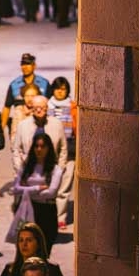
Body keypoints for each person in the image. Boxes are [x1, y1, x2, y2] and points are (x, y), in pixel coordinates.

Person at [12, 134, 63, 254]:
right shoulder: (26, 167)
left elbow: (51, 192)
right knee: (24, 250)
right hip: (27, 210)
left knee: (43, 250)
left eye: (42, 146)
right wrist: (37, 188)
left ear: (48, 148)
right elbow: (15, 189)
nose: (39, 149)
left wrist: (27, 190)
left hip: (46, 212)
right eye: (36, 146)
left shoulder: (55, 170)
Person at [11, 95, 68, 175]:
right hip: (28, 169)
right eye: (35, 108)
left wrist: (60, 169)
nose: (38, 110)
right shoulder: (22, 125)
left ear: (47, 108)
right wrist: (20, 170)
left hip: (51, 169)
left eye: (41, 107)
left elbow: (63, 148)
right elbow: (16, 150)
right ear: (32, 109)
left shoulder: (57, 124)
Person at [48, 77, 76, 229]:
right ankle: (49, 216)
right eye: (58, 88)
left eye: (63, 88)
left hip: (69, 153)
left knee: (64, 188)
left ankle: (60, 218)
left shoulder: (73, 107)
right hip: (49, 154)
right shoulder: (46, 106)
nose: (60, 91)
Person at [1, 53, 50, 134]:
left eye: (28, 64)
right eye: (22, 64)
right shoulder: (14, 84)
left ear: (34, 66)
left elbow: (49, 105)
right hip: (18, 124)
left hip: (39, 122)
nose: (25, 67)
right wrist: (1, 129)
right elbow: (7, 107)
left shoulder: (44, 83)